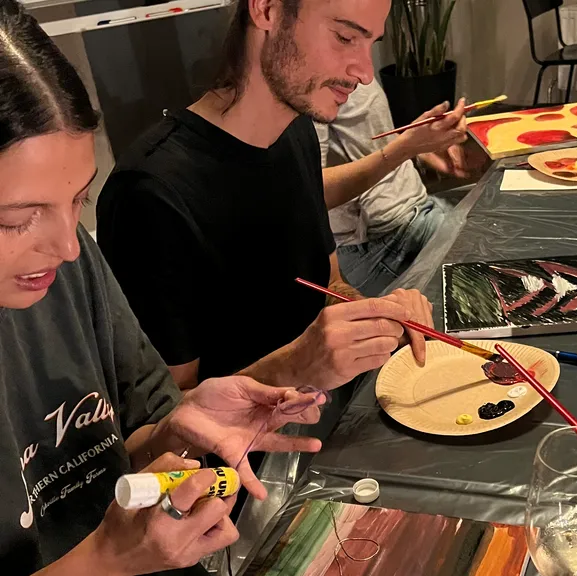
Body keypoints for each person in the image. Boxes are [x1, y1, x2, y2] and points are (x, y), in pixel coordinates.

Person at [0, 5, 326, 576]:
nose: (65, 246)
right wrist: (105, 559)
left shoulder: (69, 266)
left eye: (74, 201)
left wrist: (185, 428)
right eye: (17, 218)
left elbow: (136, 435)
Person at [97, 0, 465, 394]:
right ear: (267, 10)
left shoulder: (296, 130)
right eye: (344, 37)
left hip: (320, 416)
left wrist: (375, 318)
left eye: (370, 43)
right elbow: (166, 426)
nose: (364, 73)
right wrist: (294, 367)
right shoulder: (150, 194)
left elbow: (328, 285)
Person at [318, 79, 474, 295]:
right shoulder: (305, 84)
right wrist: (405, 149)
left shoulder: (352, 67)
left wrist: (421, 148)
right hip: (385, 241)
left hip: (416, 209)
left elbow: (368, 143)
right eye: (346, 41)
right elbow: (309, 192)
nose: (366, 73)